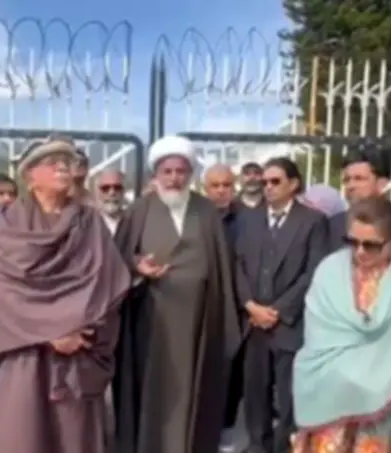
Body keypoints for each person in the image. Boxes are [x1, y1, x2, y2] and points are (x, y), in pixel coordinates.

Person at [0, 139, 131, 453]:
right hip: (26, 350)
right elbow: (2, 291)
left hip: (78, 349)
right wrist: (51, 334)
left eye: (66, 161)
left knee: (73, 435)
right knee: (24, 432)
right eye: (52, 162)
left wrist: (79, 329)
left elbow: (108, 282)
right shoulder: (8, 222)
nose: (62, 167)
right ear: (30, 177)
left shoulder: (89, 220)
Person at [113, 135, 241, 453]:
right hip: (151, 322)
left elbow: (222, 266)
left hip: (199, 320)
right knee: (154, 391)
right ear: (155, 174)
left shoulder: (206, 210)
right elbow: (117, 260)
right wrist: (137, 267)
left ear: (190, 174)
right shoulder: (139, 210)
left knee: (193, 391)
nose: (174, 178)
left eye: (180, 171)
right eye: (167, 171)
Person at [292, 196, 391, 453]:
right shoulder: (328, 271)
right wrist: (348, 377)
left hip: (386, 402)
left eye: (371, 245)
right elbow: (317, 341)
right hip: (330, 394)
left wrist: (376, 384)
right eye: (352, 242)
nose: (359, 252)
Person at [235, 158, 329, 453]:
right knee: (255, 393)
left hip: (289, 322)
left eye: (275, 181)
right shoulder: (249, 219)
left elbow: (313, 271)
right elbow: (236, 264)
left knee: (289, 396)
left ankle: (284, 447)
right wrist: (250, 305)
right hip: (253, 323)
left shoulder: (313, 221)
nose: (268, 187)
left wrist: (278, 311)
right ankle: (257, 445)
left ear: (294, 184)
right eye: (264, 182)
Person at [202, 162, 245, 445]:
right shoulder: (196, 217)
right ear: (205, 189)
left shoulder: (246, 219)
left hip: (238, 305)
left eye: (226, 185)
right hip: (202, 305)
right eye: (215, 186)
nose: (221, 191)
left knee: (233, 370)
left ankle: (225, 429)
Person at [330, 152, 391, 268]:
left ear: (382, 184)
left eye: (359, 179)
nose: (351, 186)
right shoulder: (334, 224)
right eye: (347, 180)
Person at [94, 169, 127, 234]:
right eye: (105, 188)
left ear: (123, 192)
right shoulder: (87, 224)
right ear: (97, 192)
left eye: (117, 187)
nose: (111, 193)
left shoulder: (134, 223)